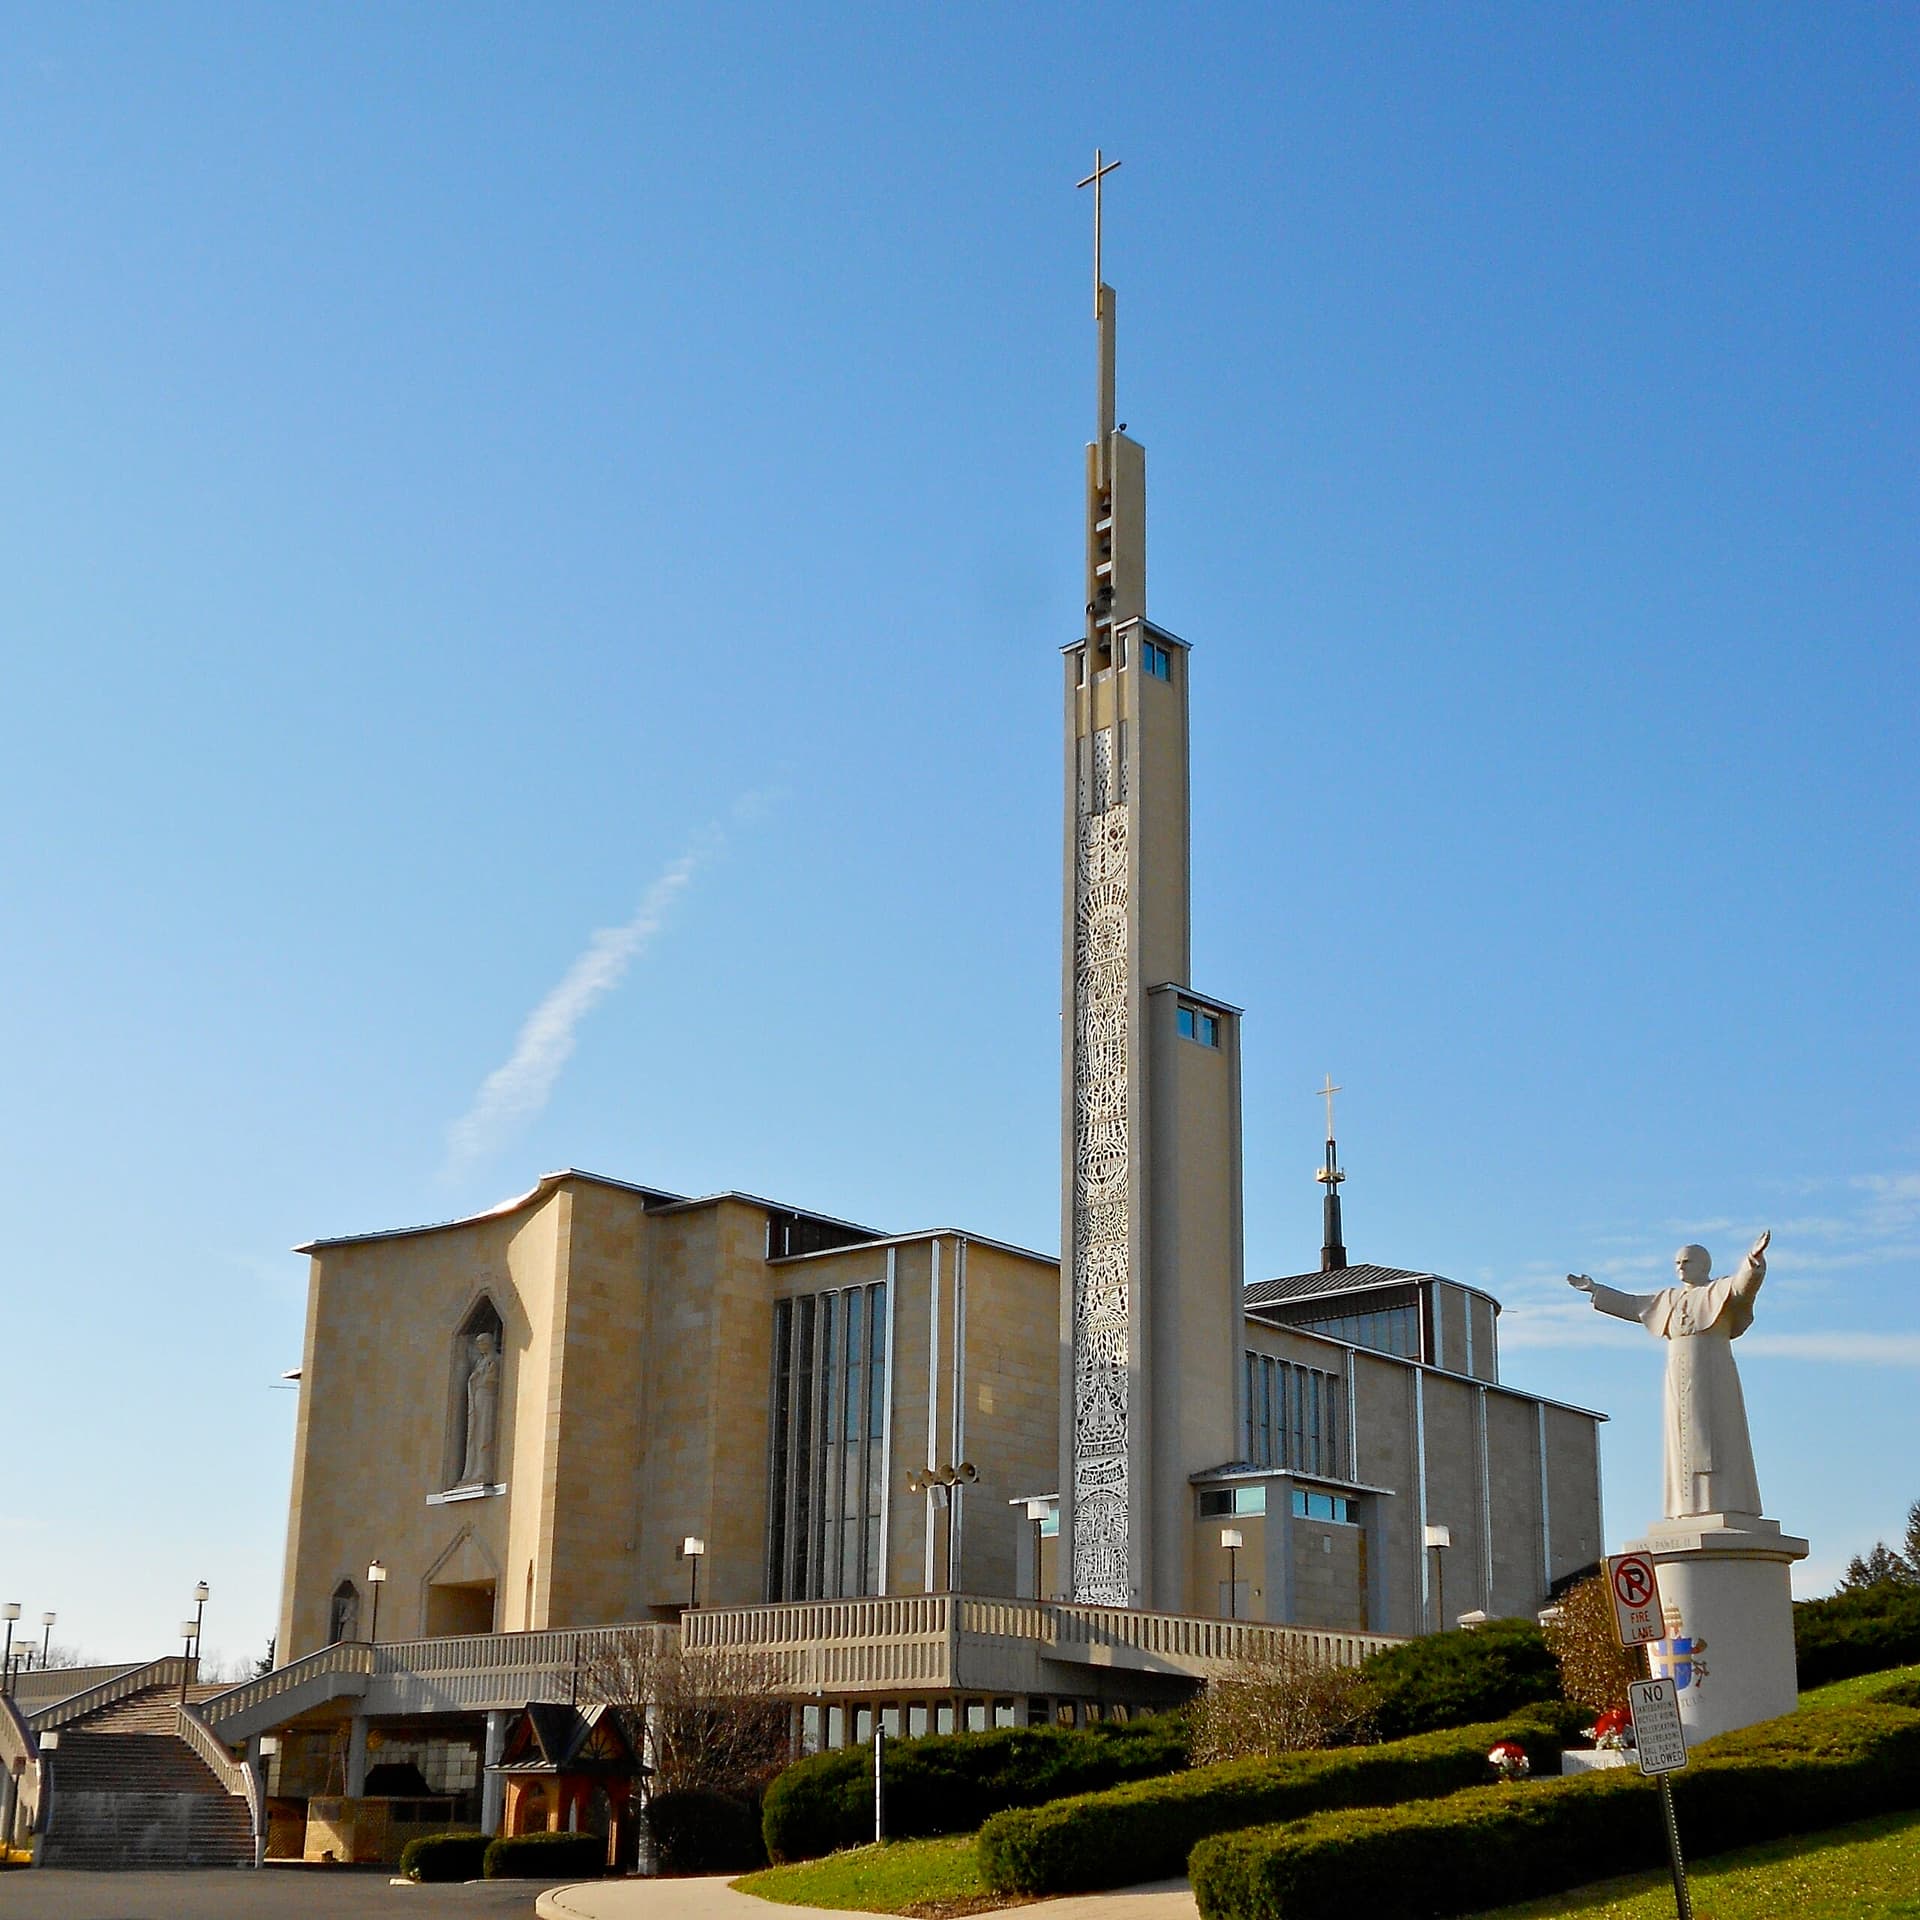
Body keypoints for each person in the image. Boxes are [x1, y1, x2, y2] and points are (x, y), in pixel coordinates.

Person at [1568, 1230, 1770, 1521]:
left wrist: (1752, 1261)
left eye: (1686, 1261)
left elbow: (1742, 1287)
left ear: (1703, 1264)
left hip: (1714, 1371)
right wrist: (1596, 1289)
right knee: (1680, 1440)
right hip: (1677, 1374)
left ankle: (1727, 1502)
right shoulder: (1668, 1299)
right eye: (1677, 1263)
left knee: (1720, 1434)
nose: (1680, 1267)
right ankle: (1684, 1508)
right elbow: (1632, 1305)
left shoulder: (1719, 1291)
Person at [460, 1330, 501, 1485]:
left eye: (482, 1342)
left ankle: (483, 1471)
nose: (479, 1346)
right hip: (478, 1400)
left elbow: (492, 1381)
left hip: (487, 1400)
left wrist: (482, 1380)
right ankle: (473, 1470)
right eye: (477, 1343)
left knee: (485, 1434)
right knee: (475, 1435)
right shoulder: (480, 1362)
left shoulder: (495, 1359)